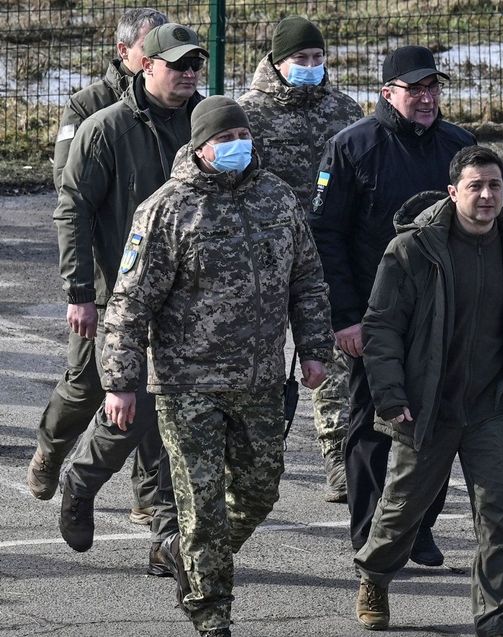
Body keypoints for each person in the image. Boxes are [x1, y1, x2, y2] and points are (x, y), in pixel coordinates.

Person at [100, 96, 333, 637]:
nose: (237, 147)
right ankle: (210, 612)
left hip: (259, 379)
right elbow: (130, 302)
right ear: (200, 147)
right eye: (224, 140)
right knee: (202, 505)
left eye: (242, 137)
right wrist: (120, 382)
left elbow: (308, 279)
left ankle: (181, 552)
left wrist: (316, 348)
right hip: (188, 383)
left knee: (260, 490)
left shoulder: (276, 198)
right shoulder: (167, 208)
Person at [353, 146, 503, 635]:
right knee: (403, 510)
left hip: (490, 407)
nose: (486, 196)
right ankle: (375, 574)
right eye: (476, 186)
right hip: (427, 406)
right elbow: (381, 327)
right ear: (452, 191)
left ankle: (496, 616)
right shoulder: (413, 249)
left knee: (498, 516)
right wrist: (391, 396)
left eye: (495, 185)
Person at [47, 22, 207, 575]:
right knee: (125, 410)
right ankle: (80, 477)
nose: (189, 76)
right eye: (178, 65)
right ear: (145, 65)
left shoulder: (207, 125)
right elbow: (73, 209)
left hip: (192, 305)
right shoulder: (104, 128)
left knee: (177, 418)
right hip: (125, 298)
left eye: (196, 67)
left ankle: (167, 536)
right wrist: (81, 292)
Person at [309, 44, 475, 565]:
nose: (427, 99)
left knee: (438, 424)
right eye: (415, 89)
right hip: (374, 314)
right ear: (387, 93)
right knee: (371, 428)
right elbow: (327, 235)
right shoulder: (352, 146)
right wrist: (345, 318)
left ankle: (417, 528)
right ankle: (369, 535)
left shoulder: (459, 145)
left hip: (445, 313)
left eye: (433, 88)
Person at [31, 7, 168, 530]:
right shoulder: (90, 108)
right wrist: (81, 288)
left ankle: (151, 497)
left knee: (156, 387)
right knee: (89, 383)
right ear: (125, 53)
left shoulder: (182, 107)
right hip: (108, 280)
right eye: (152, 48)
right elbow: (73, 201)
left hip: (162, 281)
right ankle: (51, 447)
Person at [237, 15, 363, 503]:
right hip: (267, 253)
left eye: (317, 58)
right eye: (299, 59)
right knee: (260, 358)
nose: (310, 67)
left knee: (329, 355)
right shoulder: (250, 113)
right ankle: (248, 457)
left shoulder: (343, 109)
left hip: (326, 252)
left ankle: (339, 459)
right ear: (277, 61)